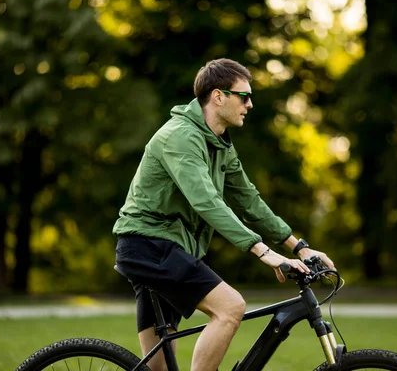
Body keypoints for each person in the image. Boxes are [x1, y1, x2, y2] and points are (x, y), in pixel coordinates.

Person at [113, 58, 335, 371]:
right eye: (244, 96)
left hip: (166, 249)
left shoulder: (219, 145)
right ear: (219, 96)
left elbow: (248, 201)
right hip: (150, 246)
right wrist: (263, 251)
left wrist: (299, 247)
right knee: (231, 307)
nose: (250, 104)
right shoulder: (180, 137)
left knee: (158, 368)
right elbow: (207, 202)